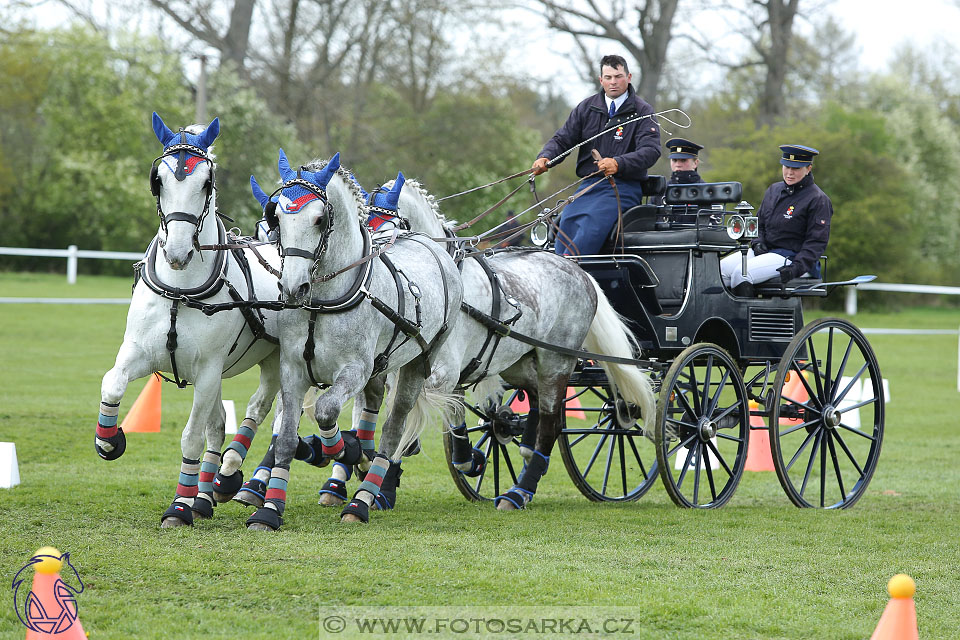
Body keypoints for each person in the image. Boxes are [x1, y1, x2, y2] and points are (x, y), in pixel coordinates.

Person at [532, 54, 661, 256]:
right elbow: (563, 139)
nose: (613, 82)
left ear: (629, 77)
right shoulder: (586, 108)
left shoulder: (643, 111)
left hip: (623, 188)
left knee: (591, 226)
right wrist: (546, 157)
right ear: (601, 80)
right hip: (589, 186)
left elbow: (651, 151)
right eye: (608, 77)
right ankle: (561, 266)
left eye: (618, 76)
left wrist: (618, 163)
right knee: (566, 223)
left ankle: (572, 270)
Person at [720, 144, 833, 296]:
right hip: (764, 251)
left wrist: (796, 268)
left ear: (808, 168)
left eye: (796, 169)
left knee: (742, 273)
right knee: (720, 269)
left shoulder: (818, 199)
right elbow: (758, 224)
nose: (790, 173)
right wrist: (757, 242)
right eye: (786, 167)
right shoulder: (773, 190)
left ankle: (743, 319)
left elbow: (816, 242)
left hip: (791, 257)